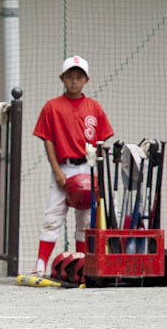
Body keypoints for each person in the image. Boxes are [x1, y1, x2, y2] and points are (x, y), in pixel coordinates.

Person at [31, 55, 113, 276]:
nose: (74, 81)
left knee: (86, 219)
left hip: (87, 167)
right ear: (62, 78)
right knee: (53, 216)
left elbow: (102, 142)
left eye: (79, 77)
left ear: (86, 80)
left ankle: (81, 266)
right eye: (70, 77)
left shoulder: (94, 107)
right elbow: (47, 139)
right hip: (63, 168)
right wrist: (57, 170)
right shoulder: (52, 106)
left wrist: (98, 174)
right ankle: (40, 265)